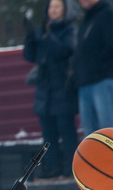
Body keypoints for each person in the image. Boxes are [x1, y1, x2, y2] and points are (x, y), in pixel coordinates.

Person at [24, 0, 80, 178]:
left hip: (62, 87)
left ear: (65, 10)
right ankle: (53, 168)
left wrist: (48, 38)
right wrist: (30, 38)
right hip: (44, 90)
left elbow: (66, 51)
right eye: (51, 7)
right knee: (48, 135)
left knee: (66, 131)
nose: (53, 10)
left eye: (57, 7)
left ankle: (70, 170)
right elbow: (29, 56)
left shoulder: (69, 29)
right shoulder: (43, 29)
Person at [74, 0, 113, 134]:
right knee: (89, 132)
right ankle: (92, 156)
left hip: (102, 79)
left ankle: (112, 155)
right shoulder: (86, 18)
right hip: (84, 81)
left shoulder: (108, 14)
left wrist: (96, 67)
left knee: (107, 129)